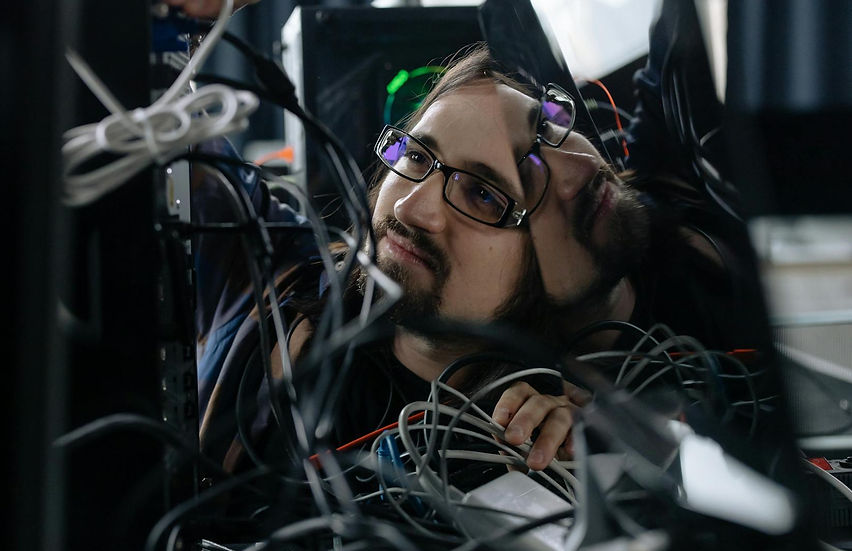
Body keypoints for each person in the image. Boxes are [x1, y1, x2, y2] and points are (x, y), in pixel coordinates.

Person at [191, 43, 760, 481]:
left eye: (484, 194)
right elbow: (141, 100)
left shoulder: (536, 447)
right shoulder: (270, 278)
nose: (413, 209)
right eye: (416, 154)